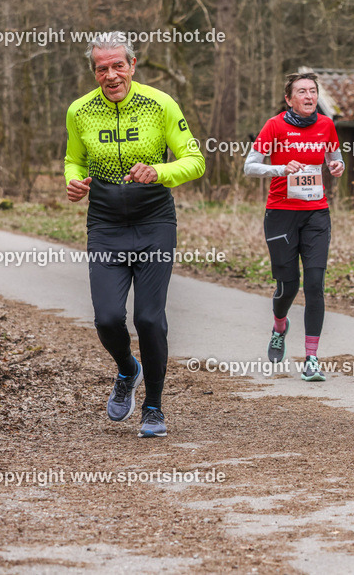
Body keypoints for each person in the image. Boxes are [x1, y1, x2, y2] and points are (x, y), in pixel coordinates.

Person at [64, 32, 205, 438]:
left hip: (154, 223)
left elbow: (194, 161)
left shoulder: (159, 104)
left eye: (117, 66)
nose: (110, 75)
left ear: (133, 64)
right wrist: (74, 182)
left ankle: (154, 408)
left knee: (148, 318)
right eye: (101, 68)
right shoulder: (80, 111)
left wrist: (158, 171)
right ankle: (128, 369)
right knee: (107, 318)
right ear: (94, 71)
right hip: (105, 224)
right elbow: (74, 159)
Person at [244, 72, 344, 381]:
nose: (309, 96)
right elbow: (250, 166)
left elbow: (335, 160)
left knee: (314, 285)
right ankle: (279, 326)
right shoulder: (274, 126)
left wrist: (337, 166)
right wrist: (280, 168)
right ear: (289, 99)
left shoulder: (327, 125)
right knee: (288, 285)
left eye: (312, 91)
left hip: (316, 213)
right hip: (281, 214)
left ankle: (311, 358)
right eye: (302, 91)